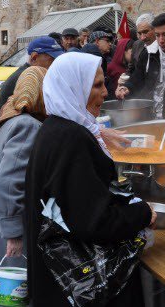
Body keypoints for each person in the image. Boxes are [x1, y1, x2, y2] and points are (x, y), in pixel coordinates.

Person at [24, 52, 156, 306]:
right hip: (77, 286)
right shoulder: (71, 140)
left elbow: (72, 200)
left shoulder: (54, 128)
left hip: (53, 278)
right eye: (96, 85)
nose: (105, 92)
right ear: (73, 88)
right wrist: (143, 212)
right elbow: (94, 222)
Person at [0, 66, 48, 303]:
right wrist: (13, 233)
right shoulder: (27, 125)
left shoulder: (6, 116)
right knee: (12, 284)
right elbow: (10, 182)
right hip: (9, 215)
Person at [0, 36, 64, 131]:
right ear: (34, 57)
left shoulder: (28, 74)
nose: (55, 64)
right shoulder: (27, 78)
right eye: (52, 60)